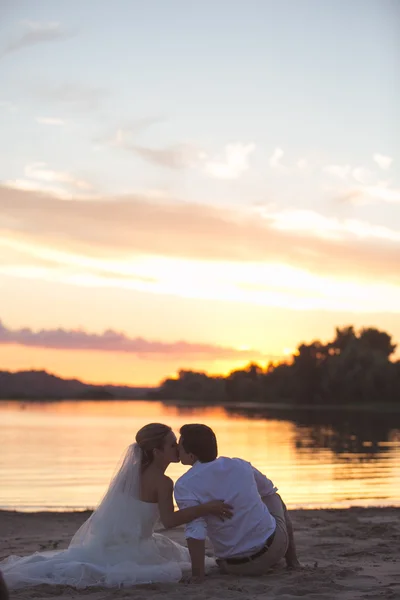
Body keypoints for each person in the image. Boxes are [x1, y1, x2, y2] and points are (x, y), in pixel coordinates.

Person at [1, 423, 232, 589]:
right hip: (135, 549)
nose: (178, 448)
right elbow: (169, 522)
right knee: (177, 567)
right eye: (173, 445)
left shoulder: (129, 476)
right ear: (156, 451)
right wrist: (205, 507)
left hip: (109, 543)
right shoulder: (163, 482)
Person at [174, 423, 300, 582]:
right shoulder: (240, 465)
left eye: (179, 446)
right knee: (274, 498)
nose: (177, 449)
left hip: (237, 567)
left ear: (192, 456)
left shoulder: (184, 485)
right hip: (275, 549)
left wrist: (197, 575)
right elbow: (268, 490)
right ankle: (293, 562)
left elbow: (195, 530)